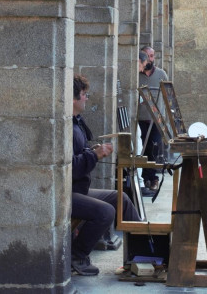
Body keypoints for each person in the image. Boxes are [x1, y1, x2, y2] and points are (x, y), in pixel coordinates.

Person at [71, 74, 141, 275]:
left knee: (121, 199)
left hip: (80, 189)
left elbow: (79, 154)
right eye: (84, 95)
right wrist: (95, 154)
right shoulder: (66, 125)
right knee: (106, 211)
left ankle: (141, 251)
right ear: (73, 98)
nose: (86, 98)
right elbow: (71, 167)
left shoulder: (77, 123)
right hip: (67, 193)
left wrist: (93, 151)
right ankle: (77, 255)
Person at [137, 46, 168, 194]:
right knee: (143, 148)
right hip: (141, 118)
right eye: (147, 56)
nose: (150, 58)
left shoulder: (161, 74)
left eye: (152, 56)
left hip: (156, 119)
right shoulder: (137, 74)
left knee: (154, 148)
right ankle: (146, 177)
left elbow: (168, 96)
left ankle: (153, 177)